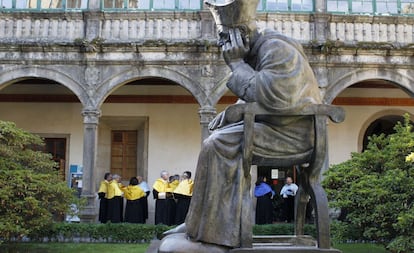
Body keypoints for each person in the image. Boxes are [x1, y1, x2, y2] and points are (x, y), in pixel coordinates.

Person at [161, 0, 322, 250]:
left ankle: (216, 237)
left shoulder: (277, 48)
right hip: (277, 128)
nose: (223, 45)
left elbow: (277, 97)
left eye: (225, 38)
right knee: (214, 141)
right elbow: (255, 95)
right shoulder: (258, 50)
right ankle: (197, 225)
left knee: (218, 145)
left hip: (293, 135)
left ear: (241, 34)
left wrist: (236, 65)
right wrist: (230, 115)